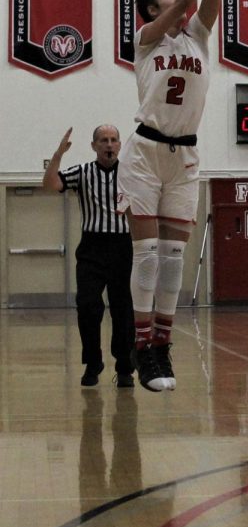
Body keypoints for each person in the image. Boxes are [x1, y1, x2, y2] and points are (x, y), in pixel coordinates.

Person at [117, 0, 248, 393]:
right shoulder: (149, 39)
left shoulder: (196, 37)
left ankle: (160, 349)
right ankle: (141, 342)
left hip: (185, 157)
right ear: (154, 8)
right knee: (148, 256)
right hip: (146, 153)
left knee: (174, 258)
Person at [43, 125, 135, 388]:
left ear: (119, 145)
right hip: (92, 247)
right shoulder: (83, 172)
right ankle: (93, 363)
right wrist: (58, 154)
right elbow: (50, 184)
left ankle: (125, 367)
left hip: (120, 246)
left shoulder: (130, 174)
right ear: (94, 145)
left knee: (122, 309)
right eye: (103, 140)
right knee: (87, 305)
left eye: (113, 140)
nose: (109, 144)